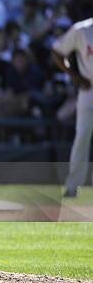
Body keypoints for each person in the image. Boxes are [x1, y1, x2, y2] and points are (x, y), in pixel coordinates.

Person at [52, 18, 93, 197]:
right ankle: (72, 186)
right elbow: (57, 52)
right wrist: (74, 76)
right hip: (89, 88)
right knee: (82, 136)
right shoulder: (82, 29)